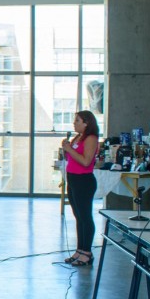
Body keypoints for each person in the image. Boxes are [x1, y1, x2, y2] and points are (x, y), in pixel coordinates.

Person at [61, 111, 99, 266]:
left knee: (85, 217)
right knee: (78, 217)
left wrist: (70, 150)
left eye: (77, 120)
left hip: (84, 180)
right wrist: (66, 149)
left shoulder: (91, 138)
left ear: (87, 123)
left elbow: (85, 161)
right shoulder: (78, 137)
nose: (74, 123)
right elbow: (70, 157)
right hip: (73, 179)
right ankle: (80, 250)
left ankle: (87, 252)